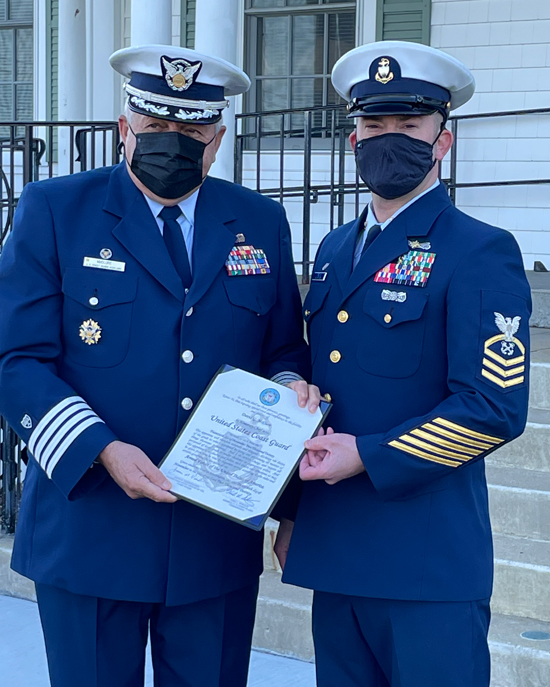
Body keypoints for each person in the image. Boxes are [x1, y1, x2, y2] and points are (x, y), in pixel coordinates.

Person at [0, 45, 317, 687]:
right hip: (90, 528)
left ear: (218, 139)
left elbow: (283, 347)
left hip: (213, 537)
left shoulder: (259, 221)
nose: (173, 144)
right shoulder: (56, 211)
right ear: (125, 129)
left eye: (192, 132)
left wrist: (288, 393)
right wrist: (101, 448)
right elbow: (16, 357)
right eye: (157, 130)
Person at [275, 40, 531, 687]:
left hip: (426, 560)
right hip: (337, 550)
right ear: (354, 137)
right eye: (373, 125)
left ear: (442, 141)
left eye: (408, 126)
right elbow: (325, 386)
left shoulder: (480, 251)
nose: (389, 140)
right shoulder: (335, 249)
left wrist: (370, 453)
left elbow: (492, 409)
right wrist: (294, 515)